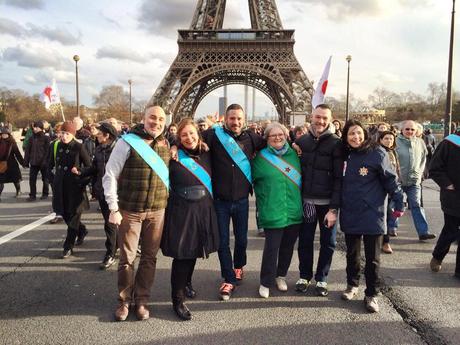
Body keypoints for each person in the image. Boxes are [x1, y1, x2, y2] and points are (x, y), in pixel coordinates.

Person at [103, 105, 170, 321]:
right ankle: (124, 301)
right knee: (127, 259)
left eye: (161, 119)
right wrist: (113, 207)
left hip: (157, 210)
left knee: (149, 258)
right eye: (152, 117)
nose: (156, 122)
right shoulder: (126, 141)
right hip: (130, 210)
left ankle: (142, 299)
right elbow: (110, 175)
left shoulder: (166, 143)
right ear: (144, 118)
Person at [201, 103, 265, 301]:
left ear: (243, 120)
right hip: (219, 201)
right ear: (225, 119)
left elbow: (275, 143)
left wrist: (296, 145)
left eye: (239, 118)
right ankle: (228, 278)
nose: (235, 122)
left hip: (241, 200)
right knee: (222, 241)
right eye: (232, 118)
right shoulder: (212, 136)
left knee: (242, 239)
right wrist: (176, 145)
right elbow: (190, 140)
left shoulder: (253, 138)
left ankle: (238, 267)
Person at [340, 120, 404, 313]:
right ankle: (352, 285)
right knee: (352, 255)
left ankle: (372, 294)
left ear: (365, 134)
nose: (355, 137)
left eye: (359, 133)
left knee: (373, 258)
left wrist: (399, 201)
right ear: (345, 136)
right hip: (350, 211)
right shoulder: (344, 154)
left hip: (372, 213)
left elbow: (391, 180)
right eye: (351, 134)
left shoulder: (377, 153)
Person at [161, 118, 219, 320]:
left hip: (203, 209)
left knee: (194, 251)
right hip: (181, 210)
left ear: (199, 134)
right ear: (178, 137)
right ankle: (177, 300)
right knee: (182, 254)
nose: (188, 138)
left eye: (192, 133)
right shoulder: (172, 155)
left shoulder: (207, 151)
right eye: (183, 135)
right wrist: (174, 146)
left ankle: (186, 282)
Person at [293, 104, 343, 297]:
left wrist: (334, 208)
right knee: (305, 241)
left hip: (327, 204)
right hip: (307, 202)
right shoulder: (302, 141)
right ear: (311, 117)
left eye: (325, 118)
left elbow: (340, 178)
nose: (321, 121)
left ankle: (322, 277)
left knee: (328, 243)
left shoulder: (337, 143)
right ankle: (304, 276)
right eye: (318, 117)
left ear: (330, 119)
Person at [252, 122, 302, 298]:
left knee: (287, 247)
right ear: (267, 139)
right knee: (272, 249)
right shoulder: (260, 158)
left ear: (286, 136)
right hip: (272, 209)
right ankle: (265, 281)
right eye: (273, 136)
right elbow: (252, 181)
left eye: (280, 134)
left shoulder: (296, 154)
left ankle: (280, 275)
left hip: (294, 209)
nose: (277, 138)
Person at [74, 123, 119, 269]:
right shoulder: (99, 149)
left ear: (107, 136)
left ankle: (116, 248)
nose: (96, 135)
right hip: (103, 191)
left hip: (119, 192)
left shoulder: (120, 149)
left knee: (119, 224)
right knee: (109, 223)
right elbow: (95, 168)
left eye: (99, 133)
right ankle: (111, 251)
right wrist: (81, 171)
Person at [48, 121, 91, 258]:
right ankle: (82, 230)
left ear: (73, 134)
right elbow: (49, 165)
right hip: (60, 186)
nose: (64, 136)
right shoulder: (56, 145)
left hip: (75, 187)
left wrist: (79, 172)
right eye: (62, 133)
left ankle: (68, 246)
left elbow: (90, 167)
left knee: (73, 217)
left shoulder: (79, 147)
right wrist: (53, 179)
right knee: (64, 214)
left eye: (67, 133)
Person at [395, 120, 436, 241]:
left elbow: (423, 159)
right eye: (407, 129)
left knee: (416, 205)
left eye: (412, 129)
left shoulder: (420, 142)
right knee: (394, 205)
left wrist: (420, 173)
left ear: (416, 131)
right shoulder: (395, 141)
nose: (409, 131)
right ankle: (391, 227)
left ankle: (423, 232)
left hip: (414, 181)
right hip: (398, 180)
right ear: (402, 130)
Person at [428, 128, 460, 279]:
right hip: (454, 196)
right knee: (451, 229)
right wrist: (447, 184)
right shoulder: (450, 142)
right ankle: (438, 256)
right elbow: (434, 168)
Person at [379, 130, 401, 253]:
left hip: (394, 187)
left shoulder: (393, 152)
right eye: (386, 138)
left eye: (391, 139)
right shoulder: (378, 152)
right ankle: (385, 241)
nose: (389, 141)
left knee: (390, 215)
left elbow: (397, 169)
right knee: (385, 214)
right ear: (380, 140)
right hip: (382, 189)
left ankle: (385, 240)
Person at [23, 120, 50, 201]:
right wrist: (26, 162)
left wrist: (44, 161)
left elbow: (47, 151)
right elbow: (27, 151)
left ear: (41, 128)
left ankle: (45, 193)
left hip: (43, 163)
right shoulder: (31, 138)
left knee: (45, 179)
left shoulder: (46, 138)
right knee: (32, 179)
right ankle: (32, 195)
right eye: (34, 127)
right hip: (34, 162)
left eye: (37, 127)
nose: (35, 128)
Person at [0, 127, 24, 201]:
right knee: (0, 181)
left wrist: (23, 163)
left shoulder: (12, 142)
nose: (4, 135)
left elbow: (17, 153)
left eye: (5, 134)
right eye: (2, 134)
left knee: (15, 179)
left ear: (8, 134)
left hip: (11, 164)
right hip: (1, 164)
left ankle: (18, 190)